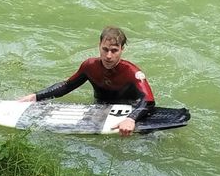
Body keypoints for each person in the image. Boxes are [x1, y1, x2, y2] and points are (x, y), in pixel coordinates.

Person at [18, 26, 154, 137]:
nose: (108, 56)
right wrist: (36, 96)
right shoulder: (89, 67)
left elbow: (149, 101)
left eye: (114, 51)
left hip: (130, 110)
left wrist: (131, 118)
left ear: (122, 49)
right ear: (99, 45)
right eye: (105, 49)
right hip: (100, 107)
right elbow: (66, 86)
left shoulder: (132, 72)